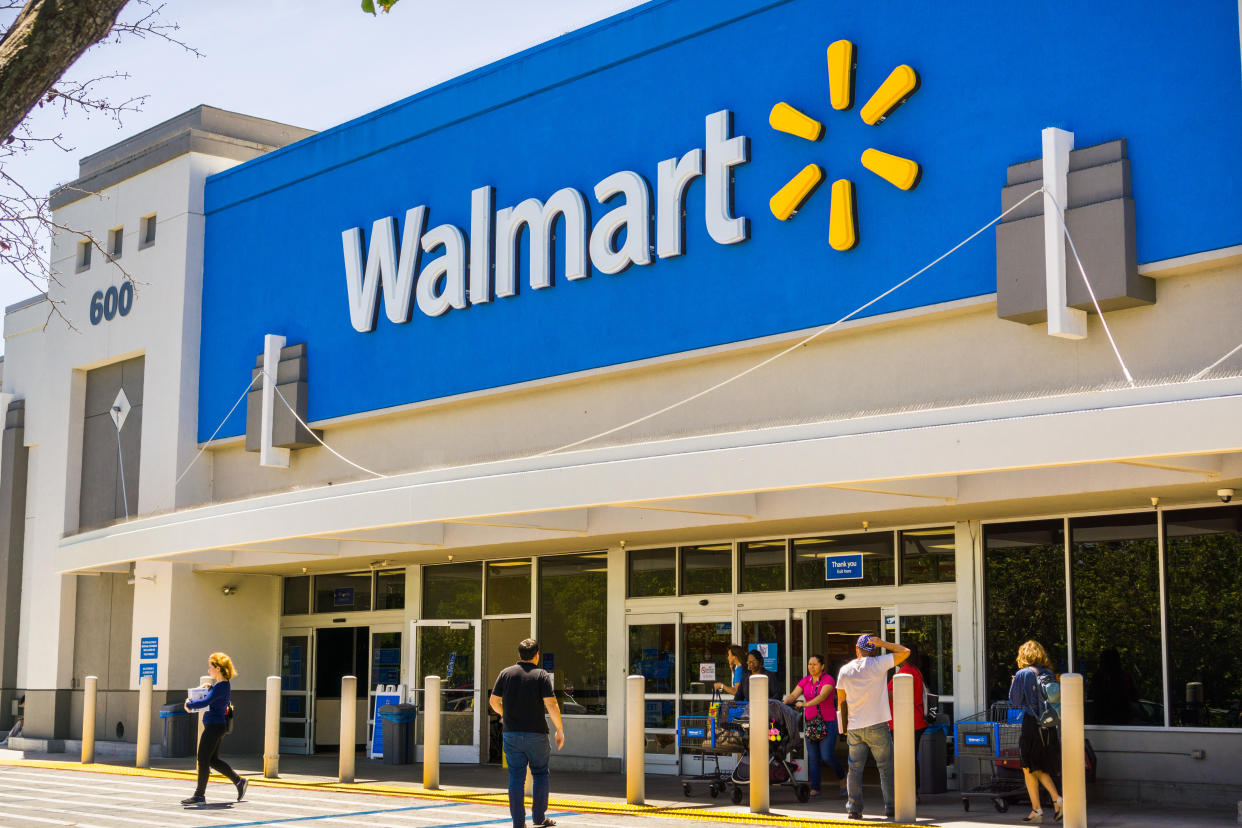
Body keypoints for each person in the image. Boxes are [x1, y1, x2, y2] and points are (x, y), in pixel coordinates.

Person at [489, 638, 565, 828]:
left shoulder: (505, 674)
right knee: (540, 773)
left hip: (511, 735)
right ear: (537, 655)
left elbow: (493, 701)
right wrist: (559, 729)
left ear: (519, 655)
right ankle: (539, 818)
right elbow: (551, 704)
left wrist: (506, 714)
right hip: (536, 734)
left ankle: (518, 823)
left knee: (516, 777)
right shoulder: (541, 675)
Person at [836, 634, 909, 820]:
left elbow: (841, 703)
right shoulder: (879, 663)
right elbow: (905, 652)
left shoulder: (844, 670)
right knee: (885, 768)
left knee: (854, 769)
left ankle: (854, 809)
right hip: (877, 725)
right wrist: (882, 643)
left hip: (854, 726)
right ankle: (891, 808)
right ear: (873, 650)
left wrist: (843, 728)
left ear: (856, 649)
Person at [1008, 640, 1063, 823]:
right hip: (1049, 725)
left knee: (1031, 766)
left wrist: (1014, 683)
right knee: (1033, 768)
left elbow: (1014, 701)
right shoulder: (1048, 673)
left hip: (1032, 724)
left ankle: (1056, 800)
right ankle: (1037, 810)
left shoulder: (1023, 674)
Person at [181, 652, 246, 806]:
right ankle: (239, 782)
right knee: (213, 760)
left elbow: (206, 702)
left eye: (210, 667)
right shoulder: (221, 685)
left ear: (218, 668)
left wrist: (188, 705)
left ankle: (199, 795)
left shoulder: (221, 687)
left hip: (214, 728)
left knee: (202, 759)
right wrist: (209, 687)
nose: (209, 670)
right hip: (216, 726)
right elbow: (212, 697)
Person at [784, 654, 846, 798]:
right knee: (813, 757)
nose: (811, 667)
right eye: (809, 664)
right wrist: (784, 702)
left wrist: (805, 704)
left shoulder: (828, 680)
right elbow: (793, 695)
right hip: (811, 723)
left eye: (815, 664)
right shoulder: (806, 680)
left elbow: (822, 697)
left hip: (827, 722)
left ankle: (843, 778)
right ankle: (815, 788)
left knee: (827, 756)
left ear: (822, 666)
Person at [887, 644, 928, 790]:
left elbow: (894, 694)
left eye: (897, 654)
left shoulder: (905, 673)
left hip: (905, 723)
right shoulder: (914, 670)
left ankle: (908, 791)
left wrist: (876, 688)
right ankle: (912, 791)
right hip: (914, 722)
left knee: (905, 760)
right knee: (909, 758)